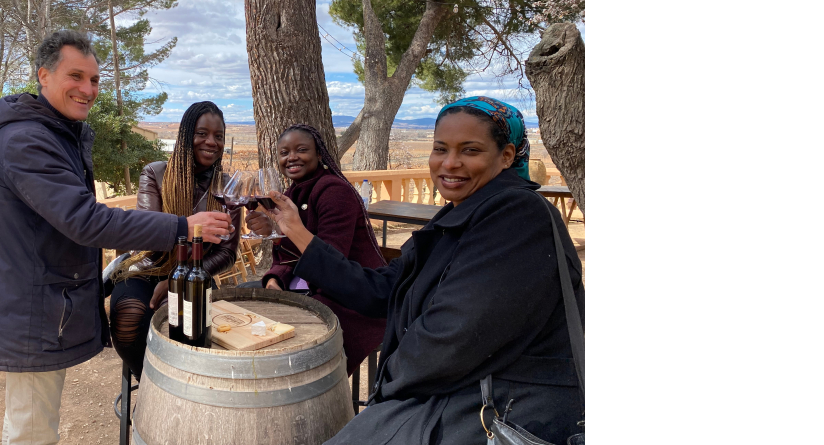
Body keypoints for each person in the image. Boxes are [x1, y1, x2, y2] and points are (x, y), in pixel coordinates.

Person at [263, 97, 584, 444]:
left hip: (497, 413)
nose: (450, 163)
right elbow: (382, 289)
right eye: (440, 148)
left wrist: (385, 387)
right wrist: (294, 229)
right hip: (454, 396)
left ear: (506, 156)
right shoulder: (461, 214)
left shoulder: (518, 216)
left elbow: (450, 341)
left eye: (470, 150)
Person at [0, 30, 231, 445]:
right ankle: (165, 400)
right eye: (76, 76)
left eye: (94, 80)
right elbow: (86, 221)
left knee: (34, 421)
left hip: (44, 303)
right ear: (44, 75)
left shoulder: (55, 134)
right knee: (31, 429)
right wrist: (186, 227)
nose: (87, 89)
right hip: (31, 309)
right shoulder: (27, 141)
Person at [108, 101, 241, 379]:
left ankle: (187, 390)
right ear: (185, 136)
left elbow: (227, 254)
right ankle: (153, 391)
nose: (211, 142)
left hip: (198, 276)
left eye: (219, 136)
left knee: (192, 330)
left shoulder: (229, 189)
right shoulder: (156, 173)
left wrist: (181, 281)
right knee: (130, 318)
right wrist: (170, 275)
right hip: (148, 269)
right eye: (202, 133)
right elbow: (147, 234)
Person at [245, 124, 387, 376]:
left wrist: (286, 233)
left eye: (301, 150)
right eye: (284, 152)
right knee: (240, 305)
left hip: (348, 299)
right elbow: (293, 252)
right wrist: (275, 271)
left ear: (319, 154)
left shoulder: (334, 191)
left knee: (273, 343)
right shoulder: (293, 192)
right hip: (306, 288)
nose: (292, 157)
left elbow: (333, 263)